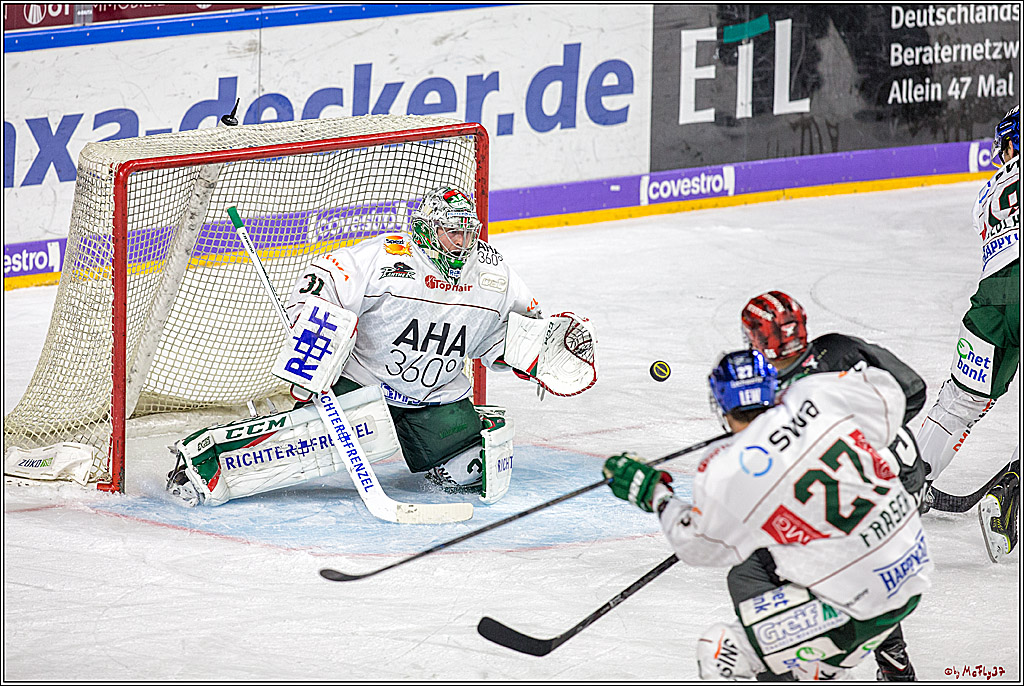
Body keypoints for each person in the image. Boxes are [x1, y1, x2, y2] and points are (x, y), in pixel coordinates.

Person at [166, 185, 596, 507]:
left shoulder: (493, 275)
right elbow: (326, 279)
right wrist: (317, 330)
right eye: (451, 234)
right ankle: (206, 458)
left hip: (436, 398)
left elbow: (508, 335)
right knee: (298, 450)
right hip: (363, 387)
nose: (461, 244)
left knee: (473, 472)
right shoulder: (388, 258)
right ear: (427, 230)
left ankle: (445, 437)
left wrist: (539, 350)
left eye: (467, 233)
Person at [603, 350, 932, 681]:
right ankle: (855, 658)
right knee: (750, 570)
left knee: (722, 652)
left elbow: (698, 547)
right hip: (912, 565)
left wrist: (654, 494)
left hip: (859, 605)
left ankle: (808, 667)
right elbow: (891, 395)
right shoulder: (819, 393)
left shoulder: (730, 468)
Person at [740, 290, 926, 681]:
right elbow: (913, 389)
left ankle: (816, 666)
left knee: (800, 569)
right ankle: (892, 662)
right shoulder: (837, 349)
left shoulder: (781, 386)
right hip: (900, 478)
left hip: (875, 489)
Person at [914, 105, 1020, 563]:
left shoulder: (987, 192)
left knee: (959, 402)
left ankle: (905, 487)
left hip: (992, 300)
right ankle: (1009, 499)